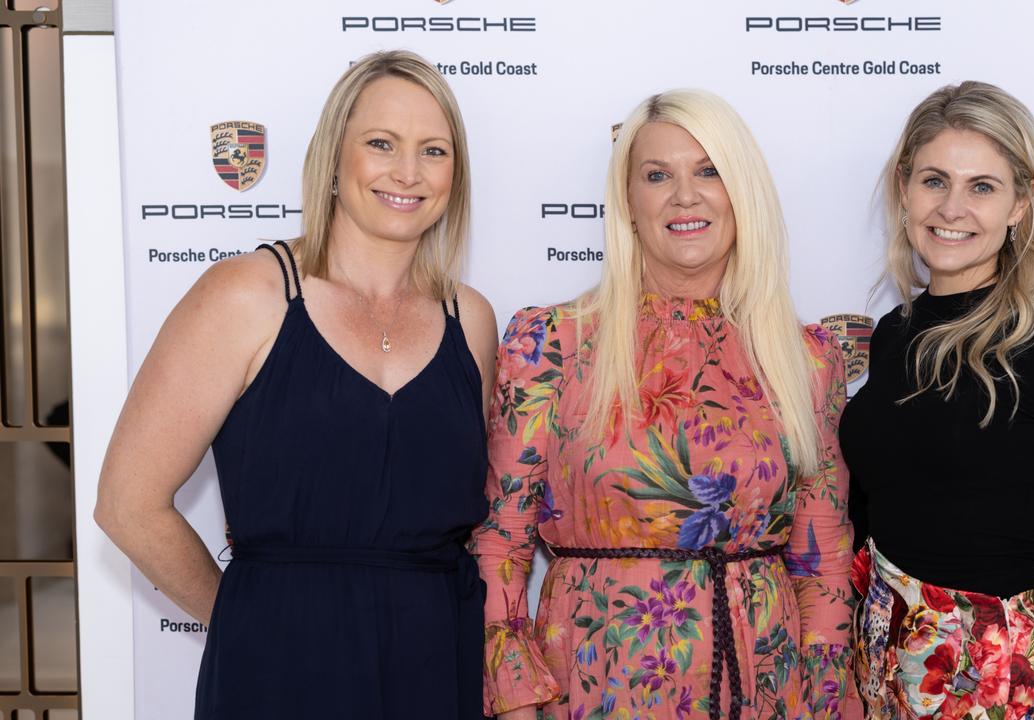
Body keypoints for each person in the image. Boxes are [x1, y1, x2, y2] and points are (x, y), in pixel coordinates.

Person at [94, 50, 496, 719]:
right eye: (380, 143)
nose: (407, 172)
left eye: (434, 150)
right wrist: (247, 617)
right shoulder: (246, 295)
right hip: (275, 672)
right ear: (333, 159)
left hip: (436, 667)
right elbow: (127, 504)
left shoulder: (471, 320)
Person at [471, 89, 853, 720]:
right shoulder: (553, 344)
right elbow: (500, 545)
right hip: (597, 689)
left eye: (709, 171)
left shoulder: (806, 358)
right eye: (658, 175)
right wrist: (516, 701)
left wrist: (828, 704)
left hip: (766, 692)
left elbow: (825, 561)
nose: (685, 195)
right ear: (628, 202)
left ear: (742, 193)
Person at [840, 81, 1034, 720]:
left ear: (1021, 203)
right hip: (877, 671)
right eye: (934, 180)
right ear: (904, 191)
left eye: (983, 187)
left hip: (994, 687)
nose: (953, 207)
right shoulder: (893, 333)